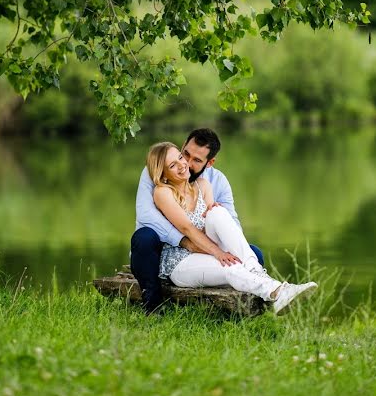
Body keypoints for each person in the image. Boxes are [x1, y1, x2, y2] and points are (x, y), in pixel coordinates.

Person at [138, 141, 318, 314]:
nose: (182, 165)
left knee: (217, 212)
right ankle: (278, 291)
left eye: (180, 157)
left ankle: (258, 272)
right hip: (181, 262)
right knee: (229, 267)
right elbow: (187, 229)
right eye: (172, 165)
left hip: (207, 249)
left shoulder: (202, 185)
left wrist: (225, 248)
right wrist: (218, 253)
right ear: (163, 174)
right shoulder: (162, 193)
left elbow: (219, 222)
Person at [131, 128, 259, 312]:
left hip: (205, 250)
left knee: (254, 254)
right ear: (182, 146)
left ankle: (232, 291)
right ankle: (153, 304)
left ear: (210, 162)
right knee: (144, 237)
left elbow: (232, 223)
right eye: (186, 154)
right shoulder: (160, 167)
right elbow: (146, 215)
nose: (187, 164)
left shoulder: (217, 181)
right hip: (160, 252)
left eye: (197, 160)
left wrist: (219, 248)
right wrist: (184, 241)